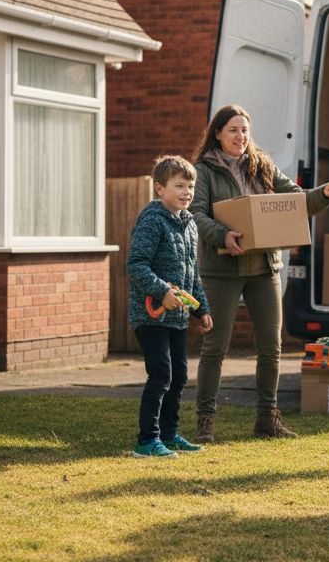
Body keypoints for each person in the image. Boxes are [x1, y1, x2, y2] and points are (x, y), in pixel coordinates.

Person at [191, 104, 329, 441]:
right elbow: (196, 213)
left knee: (271, 346)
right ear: (218, 133)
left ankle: (267, 419)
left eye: (245, 130)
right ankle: (205, 421)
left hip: (264, 266)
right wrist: (223, 234)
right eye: (233, 130)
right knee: (215, 347)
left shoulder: (262, 166)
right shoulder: (203, 170)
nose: (240, 136)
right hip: (223, 268)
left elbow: (296, 201)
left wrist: (324, 194)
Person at [126, 155, 214, 458]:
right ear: (159, 189)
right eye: (179, 186)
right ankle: (147, 440)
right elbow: (136, 265)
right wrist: (162, 291)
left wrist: (201, 308)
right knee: (161, 375)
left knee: (178, 377)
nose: (186, 192)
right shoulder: (152, 220)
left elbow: (192, 273)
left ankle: (170, 434)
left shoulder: (189, 224)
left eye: (190, 186)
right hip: (150, 315)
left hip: (177, 317)